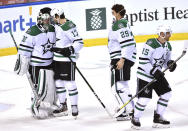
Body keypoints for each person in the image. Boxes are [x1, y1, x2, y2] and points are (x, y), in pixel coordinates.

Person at [131, 25, 177, 129]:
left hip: (157, 75)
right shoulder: (150, 43)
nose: (170, 35)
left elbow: (165, 62)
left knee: (167, 94)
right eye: (168, 33)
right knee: (144, 99)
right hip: (145, 75)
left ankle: (158, 117)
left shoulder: (168, 46)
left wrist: (170, 64)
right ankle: (135, 118)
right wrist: (153, 70)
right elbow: (143, 61)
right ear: (161, 34)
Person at [14, 7, 56, 119]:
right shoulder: (32, 31)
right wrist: (23, 64)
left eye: (50, 17)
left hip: (50, 63)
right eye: (46, 17)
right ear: (40, 18)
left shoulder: (53, 29)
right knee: (38, 87)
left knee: (50, 87)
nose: (48, 20)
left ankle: (48, 106)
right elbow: (24, 50)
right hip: (36, 65)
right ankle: (36, 107)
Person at [50, 8, 83, 117]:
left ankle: (74, 106)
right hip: (57, 59)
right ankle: (63, 106)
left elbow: (79, 42)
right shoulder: (57, 26)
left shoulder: (68, 26)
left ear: (57, 16)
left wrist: (70, 50)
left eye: (53, 17)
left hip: (66, 61)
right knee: (58, 83)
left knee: (69, 83)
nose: (52, 20)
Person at [108, 4, 136, 121]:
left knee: (117, 86)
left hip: (121, 57)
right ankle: (131, 109)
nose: (112, 15)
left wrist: (122, 59)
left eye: (113, 13)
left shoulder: (120, 24)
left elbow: (128, 43)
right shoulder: (121, 23)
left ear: (118, 13)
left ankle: (126, 110)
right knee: (123, 85)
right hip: (122, 56)